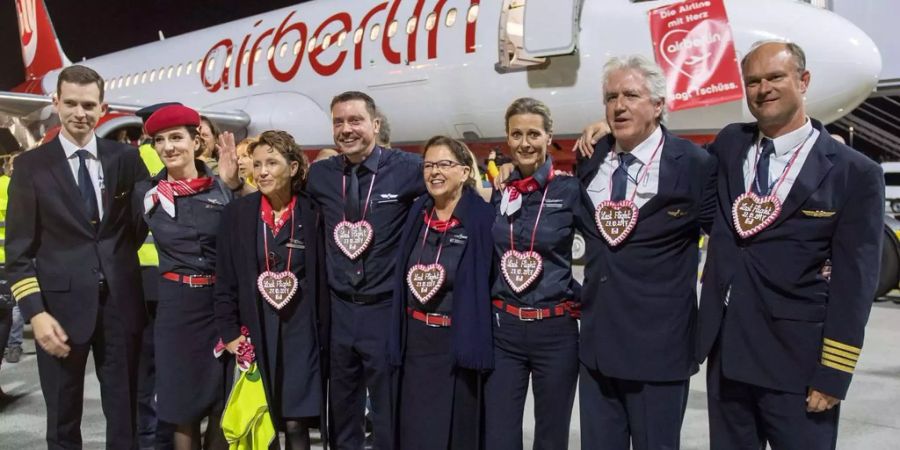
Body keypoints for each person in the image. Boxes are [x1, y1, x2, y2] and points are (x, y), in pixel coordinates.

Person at [695, 40, 884, 449]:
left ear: (804, 81)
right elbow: (676, 166)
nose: (763, 89)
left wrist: (834, 372)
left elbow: (856, 284)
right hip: (727, 359)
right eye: (753, 81)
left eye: (775, 77)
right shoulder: (730, 144)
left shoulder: (854, 173)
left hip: (798, 365)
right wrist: (611, 135)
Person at [575, 55, 717, 450]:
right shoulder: (592, 159)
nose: (619, 105)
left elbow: (726, 241)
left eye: (632, 95)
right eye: (611, 97)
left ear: (658, 105)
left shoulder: (693, 163)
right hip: (597, 351)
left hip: (660, 352)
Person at [4, 64, 150, 449]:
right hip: (59, 311)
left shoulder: (126, 160)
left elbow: (137, 229)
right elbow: (17, 253)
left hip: (120, 306)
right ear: (56, 103)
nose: (80, 113)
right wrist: (36, 312)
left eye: (89, 105)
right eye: (71, 103)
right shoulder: (31, 167)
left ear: (103, 108)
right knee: (63, 420)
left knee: (127, 415)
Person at [306, 91, 426, 450]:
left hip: (385, 310)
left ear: (375, 124)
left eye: (355, 120)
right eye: (338, 122)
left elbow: (454, 186)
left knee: (389, 409)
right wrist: (234, 184)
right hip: (339, 309)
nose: (346, 129)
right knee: (342, 409)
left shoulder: (408, 169)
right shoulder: (320, 175)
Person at [134, 104, 245, 450]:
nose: (169, 147)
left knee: (222, 399)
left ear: (196, 142)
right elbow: (121, 243)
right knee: (182, 405)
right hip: (177, 310)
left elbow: (249, 233)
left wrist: (237, 186)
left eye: (177, 138)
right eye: (160, 141)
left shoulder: (222, 186)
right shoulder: (147, 195)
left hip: (222, 306)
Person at [484, 98, 591, 450]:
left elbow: (603, 248)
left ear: (549, 137)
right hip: (504, 331)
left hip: (555, 331)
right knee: (499, 434)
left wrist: (583, 296)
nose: (525, 142)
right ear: (507, 138)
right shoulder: (501, 192)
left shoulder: (569, 190)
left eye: (533, 133)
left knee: (551, 436)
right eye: (516, 134)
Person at [215, 130, 328, 450]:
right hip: (255, 328)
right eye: (257, 164)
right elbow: (225, 279)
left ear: (293, 168)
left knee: (295, 423)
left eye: (272, 163)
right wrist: (230, 332)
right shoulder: (237, 214)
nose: (262, 171)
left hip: (301, 331)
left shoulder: (313, 212)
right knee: (260, 418)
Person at [387, 136, 494, 450]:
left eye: (444, 164)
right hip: (415, 343)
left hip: (456, 344)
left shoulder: (482, 219)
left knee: (455, 435)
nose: (434, 171)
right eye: (429, 165)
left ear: (464, 171)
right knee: (415, 433)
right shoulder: (416, 214)